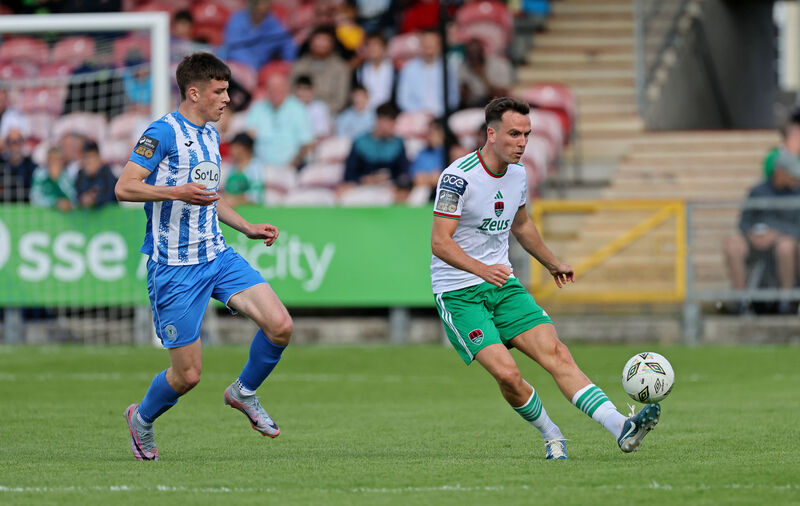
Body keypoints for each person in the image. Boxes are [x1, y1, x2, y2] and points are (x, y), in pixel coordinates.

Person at [430, 97, 661, 460]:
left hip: (502, 287)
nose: (522, 142)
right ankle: (551, 434)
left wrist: (552, 262)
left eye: (527, 134)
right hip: (460, 293)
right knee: (507, 375)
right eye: (513, 134)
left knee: (557, 353)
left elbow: (521, 225)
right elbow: (440, 243)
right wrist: (481, 269)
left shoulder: (519, 174)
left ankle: (621, 426)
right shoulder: (457, 178)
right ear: (491, 134)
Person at [115, 52, 293, 461]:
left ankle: (243, 392)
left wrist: (246, 226)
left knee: (280, 325)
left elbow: (210, 199)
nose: (227, 98)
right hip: (175, 269)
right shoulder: (161, 133)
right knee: (188, 375)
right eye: (220, 91)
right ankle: (141, 419)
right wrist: (175, 191)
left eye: (227, 90)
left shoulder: (211, 134)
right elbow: (124, 187)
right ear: (194, 92)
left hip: (216, 255)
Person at [723, 159, 800, 315]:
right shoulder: (758, 191)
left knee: (786, 246)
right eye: (792, 175)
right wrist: (751, 234)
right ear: (780, 172)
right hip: (755, 242)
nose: (795, 179)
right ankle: (741, 302)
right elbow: (744, 222)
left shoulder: (797, 193)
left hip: (785, 242)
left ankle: (785, 301)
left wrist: (776, 233)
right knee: (732, 245)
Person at [338, 102, 411, 200]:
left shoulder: (398, 144)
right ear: (379, 120)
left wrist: (391, 181)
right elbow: (349, 174)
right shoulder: (360, 142)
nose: (393, 126)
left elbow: (403, 172)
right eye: (390, 122)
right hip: (362, 188)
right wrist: (366, 180)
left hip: (388, 188)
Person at [245, 72, 313, 168]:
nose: (275, 93)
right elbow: (247, 138)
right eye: (272, 89)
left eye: (278, 89)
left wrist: (291, 166)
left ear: (286, 89)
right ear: (266, 90)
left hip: (290, 167)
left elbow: (306, 144)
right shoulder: (257, 107)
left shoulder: (298, 108)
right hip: (259, 166)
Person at [396, 30, 459, 117]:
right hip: (415, 116)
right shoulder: (409, 68)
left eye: (432, 44)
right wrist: (421, 113)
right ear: (420, 46)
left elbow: (454, 98)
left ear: (439, 46)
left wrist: (438, 112)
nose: (428, 47)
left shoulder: (448, 68)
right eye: (425, 44)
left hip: (442, 116)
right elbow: (403, 99)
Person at [222, 0, 297, 72]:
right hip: (233, 63)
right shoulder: (238, 19)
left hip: (253, 71)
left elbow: (287, 44)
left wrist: (288, 64)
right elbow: (233, 47)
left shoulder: (273, 24)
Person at [290, 27, 351, 113]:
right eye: (318, 40)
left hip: (331, 115)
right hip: (300, 112)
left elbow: (341, 101)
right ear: (310, 42)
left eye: (325, 40)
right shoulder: (299, 65)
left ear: (332, 44)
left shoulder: (340, 67)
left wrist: (319, 112)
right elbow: (291, 92)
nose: (321, 44)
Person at [458, 38, 514, 108]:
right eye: (471, 53)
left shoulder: (498, 64)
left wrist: (481, 74)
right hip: (474, 107)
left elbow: (501, 95)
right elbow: (462, 101)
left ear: (482, 51)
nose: (474, 56)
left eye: (476, 52)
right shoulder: (464, 67)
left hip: (496, 105)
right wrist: (464, 91)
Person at [354, 33, 395, 110]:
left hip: (388, 113)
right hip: (365, 111)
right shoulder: (360, 70)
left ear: (385, 47)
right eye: (369, 45)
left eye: (376, 44)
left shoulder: (394, 70)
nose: (372, 48)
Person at [222, 132, 264, 206]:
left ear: (244, 148)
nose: (231, 150)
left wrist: (235, 199)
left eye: (235, 147)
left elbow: (256, 196)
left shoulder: (256, 167)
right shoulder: (231, 167)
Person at [74, 140, 118, 209]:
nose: (88, 162)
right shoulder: (81, 175)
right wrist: (82, 200)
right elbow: (75, 197)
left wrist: (95, 199)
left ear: (98, 158)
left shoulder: (107, 174)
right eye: (85, 158)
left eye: (91, 157)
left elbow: (112, 196)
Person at [29, 146, 75, 211]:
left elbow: (72, 198)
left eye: (58, 159)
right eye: (52, 159)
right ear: (47, 160)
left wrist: (56, 180)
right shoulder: (40, 175)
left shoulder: (67, 176)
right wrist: (54, 203)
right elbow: (34, 198)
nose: (55, 162)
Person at [0, 128, 36, 202]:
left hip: (26, 211)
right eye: (10, 141)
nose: (14, 146)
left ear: (23, 143)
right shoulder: (1, 166)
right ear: (6, 144)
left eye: (18, 141)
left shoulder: (32, 167)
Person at [409, 118, 446, 189]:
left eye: (433, 131)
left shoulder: (448, 152)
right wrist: (432, 178)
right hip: (422, 189)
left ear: (442, 132)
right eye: (429, 132)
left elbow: (442, 179)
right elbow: (416, 179)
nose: (430, 135)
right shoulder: (422, 153)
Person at [294, 75, 332, 140]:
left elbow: (322, 133)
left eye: (306, 89)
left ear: (313, 90)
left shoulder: (320, 107)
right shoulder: (290, 108)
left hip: (317, 143)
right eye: (300, 88)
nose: (303, 92)